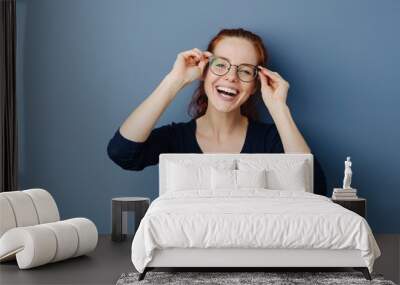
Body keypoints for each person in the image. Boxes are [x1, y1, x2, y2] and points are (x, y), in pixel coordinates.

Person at [107, 28, 327, 196]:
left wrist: (279, 108)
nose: (231, 77)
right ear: (204, 71)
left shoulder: (269, 140)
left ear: (254, 86)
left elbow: (314, 190)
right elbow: (122, 153)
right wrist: (174, 81)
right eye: (221, 65)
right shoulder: (176, 139)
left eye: (245, 70)